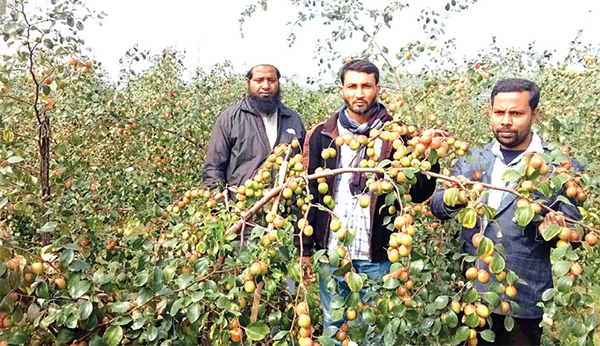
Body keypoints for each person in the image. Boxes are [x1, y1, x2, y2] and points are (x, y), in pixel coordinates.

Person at [430, 78, 581, 345]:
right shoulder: (471, 160)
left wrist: (555, 230)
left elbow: (574, 232)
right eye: (499, 112)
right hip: (471, 294)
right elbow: (438, 206)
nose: (506, 121)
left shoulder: (561, 169)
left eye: (516, 113)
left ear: (534, 114)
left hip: (522, 298)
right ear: (490, 112)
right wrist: (456, 196)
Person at [297, 59, 438, 343]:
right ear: (342, 90)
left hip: (379, 255)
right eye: (352, 86)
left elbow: (420, 193)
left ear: (377, 89)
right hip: (334, 253)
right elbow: (308, 196)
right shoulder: (322, 136)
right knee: (336, 327)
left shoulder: (398, 134)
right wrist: (305, 248)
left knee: (374, 333)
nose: (359, 92)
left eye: (366, 86)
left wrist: (428, 156)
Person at [203, 64, 306, 188]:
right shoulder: (230, 119)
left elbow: (305, 161)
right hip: (242, 204)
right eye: (259, 80)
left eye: (271, 80)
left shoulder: (293, 119)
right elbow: (214, 168)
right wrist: (221, 204)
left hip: (285, 204)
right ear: (248, 82)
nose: (266, 86)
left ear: (278, 83)